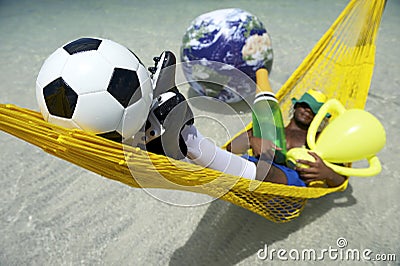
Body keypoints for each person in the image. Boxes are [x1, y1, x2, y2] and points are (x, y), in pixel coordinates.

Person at [143, 51, 346, 188]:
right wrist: (252, 140)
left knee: (266, 171)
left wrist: (327, 173)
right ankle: (157, 138)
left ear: (321, 117)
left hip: (290, 182)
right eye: (305, 104)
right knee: (209, 165)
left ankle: (184, 136)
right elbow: (228, 150)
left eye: (314, 109)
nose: (307, 110)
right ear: (296, 105)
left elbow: (342, 180)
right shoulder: (273, 129)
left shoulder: (321, 139)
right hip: (248, 167)